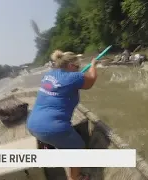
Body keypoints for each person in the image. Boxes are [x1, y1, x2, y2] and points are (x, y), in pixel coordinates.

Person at [27, 50, 98, 180]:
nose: (78, 69)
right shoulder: (74, 77)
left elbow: (61, 86)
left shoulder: (48, 75)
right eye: (77, 67)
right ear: (71, 65)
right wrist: (93, 65)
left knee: (51, 135)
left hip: (32, 125)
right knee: (78, 147)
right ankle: (76, 177)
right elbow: (91, 80)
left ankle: (49, 147)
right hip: (52, 129)